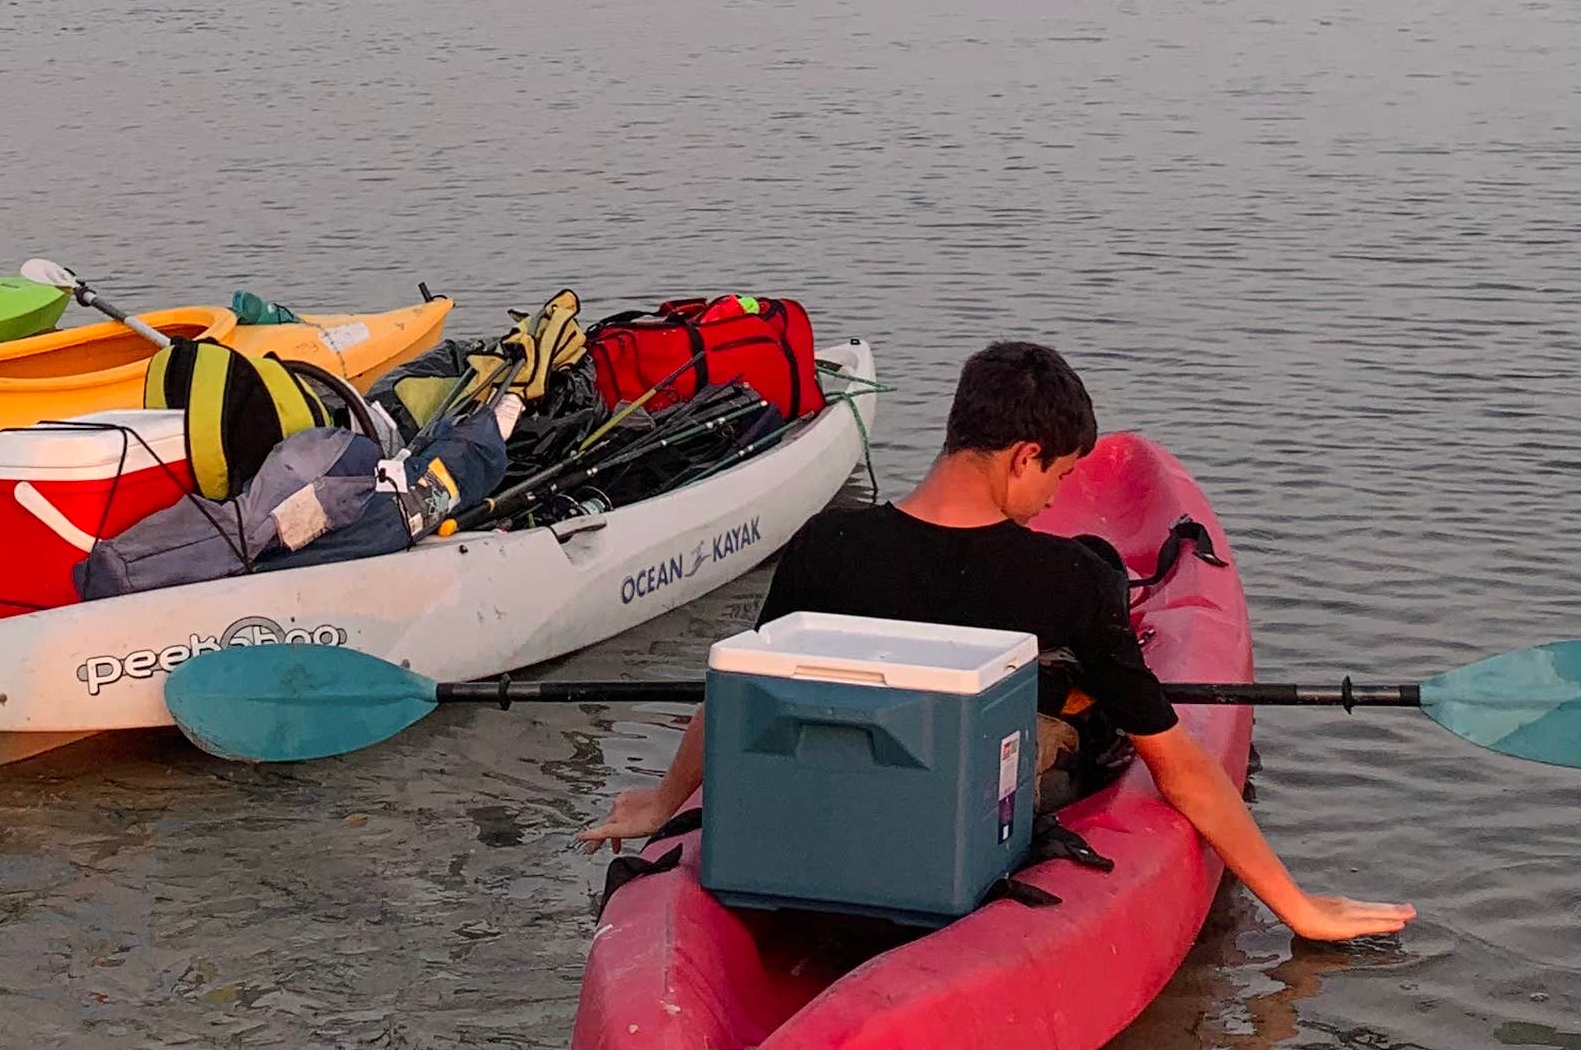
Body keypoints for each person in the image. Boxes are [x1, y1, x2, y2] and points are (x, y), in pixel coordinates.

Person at [582, 335, 1414, 946]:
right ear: (1023, 458)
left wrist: (664, 801)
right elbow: (1180, 769)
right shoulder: (1070, 581)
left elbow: (738, 696)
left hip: (825, 818)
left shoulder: (825, 546)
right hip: (955, 838)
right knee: (1085, 721)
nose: (1054, 499)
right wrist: (1295, 903)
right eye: (1055, 476)